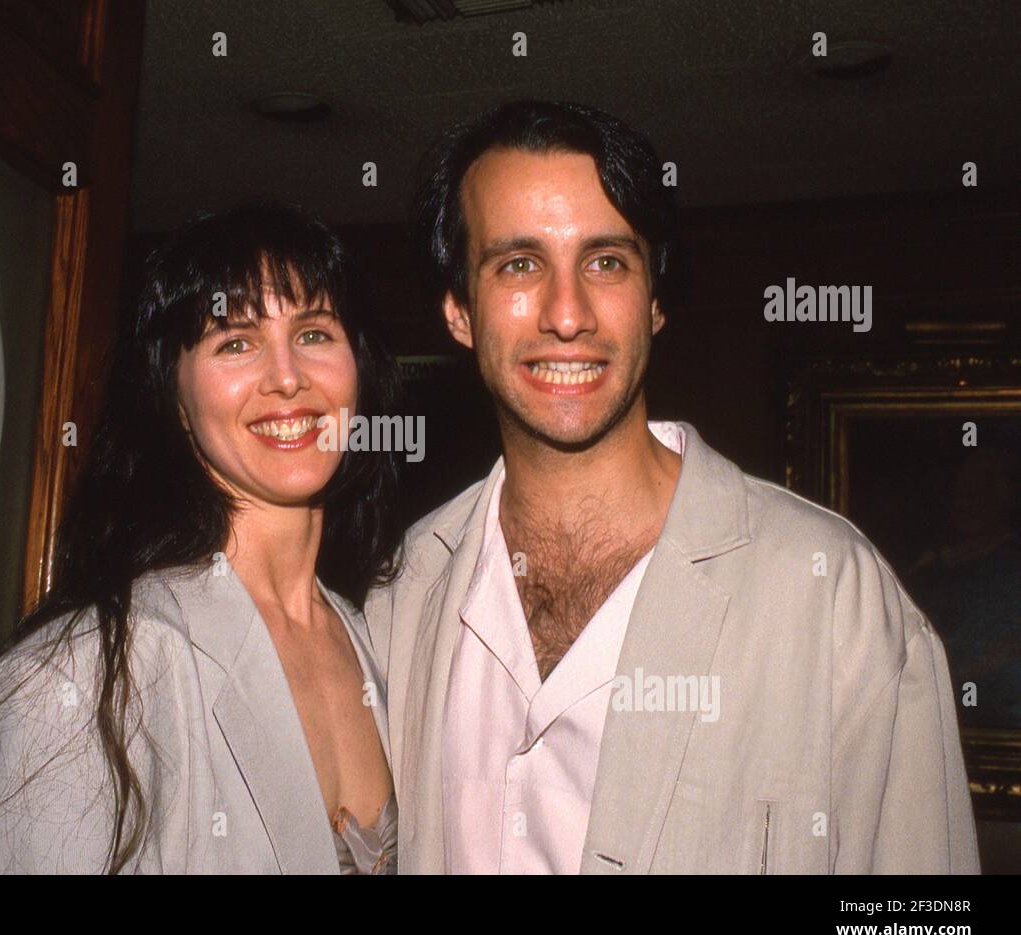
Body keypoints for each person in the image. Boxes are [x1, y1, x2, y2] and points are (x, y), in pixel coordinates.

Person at [366, 100, 980, 874]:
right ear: (459, 310)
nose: (567, 314)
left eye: (607, 262)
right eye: (518, 264)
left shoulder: (829, 592)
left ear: (655, 302)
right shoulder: (406, 591)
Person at [0, 201, 402, 874]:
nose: (287, 377)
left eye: (314, 333)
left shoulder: (388, 642)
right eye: (235, 342)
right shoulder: (79, 676)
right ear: (173, 398)